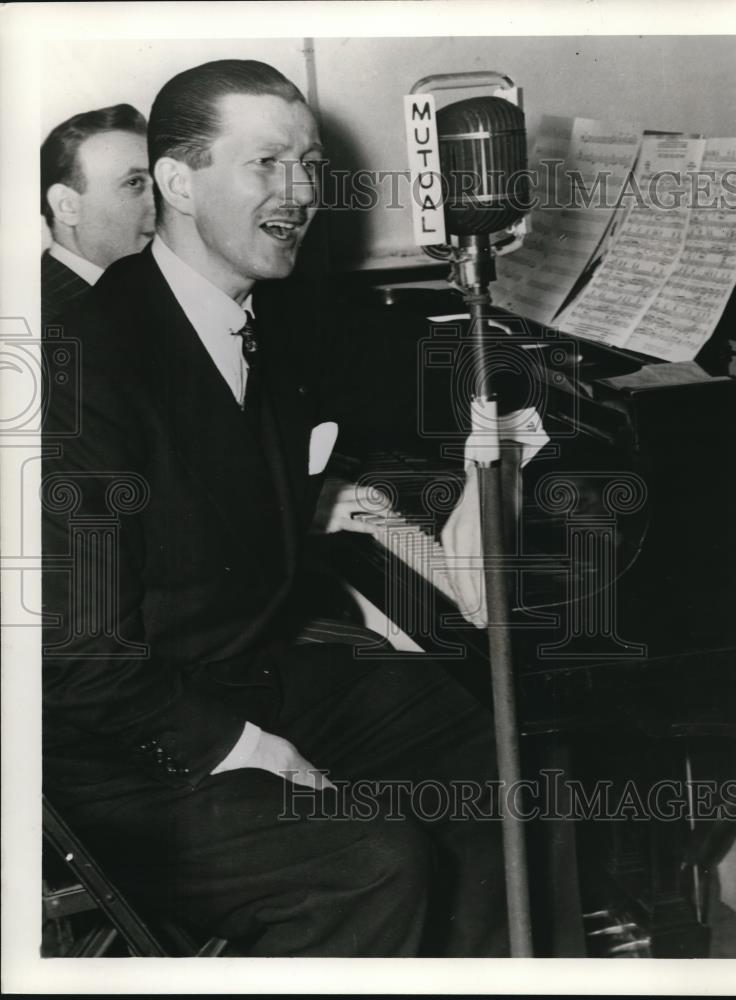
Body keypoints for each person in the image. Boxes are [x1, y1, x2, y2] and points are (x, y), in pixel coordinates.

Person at [42, 60, 511, 957]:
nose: (299, 193)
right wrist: (240, 747)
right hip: (117, 743)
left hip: (240, 667)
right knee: (373, 862)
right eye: (266, 164)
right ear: (178, 181)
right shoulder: (83, 363)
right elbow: (76, 658)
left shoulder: (254, 315)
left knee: (489, 756)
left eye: (307, 165)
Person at [40, 104, 155, 325]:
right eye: (134, 183)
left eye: (158, 184)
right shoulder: (40, 322)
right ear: (67, 206)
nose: (162, 203)